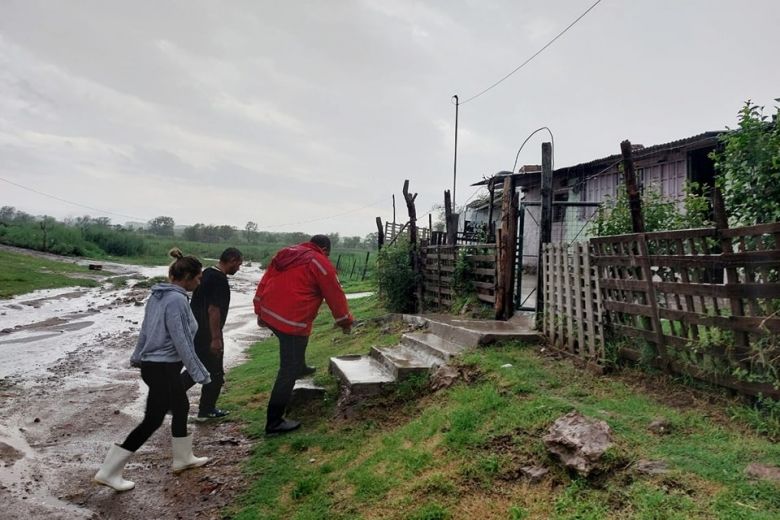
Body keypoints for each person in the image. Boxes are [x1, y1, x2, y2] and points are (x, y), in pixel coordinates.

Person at [94, 248, 211, 492]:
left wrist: (138, 356)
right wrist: (199, 372)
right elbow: (182, 340)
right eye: (199, 278)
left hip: (155, 366)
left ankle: (183, 458)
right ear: (188, 276)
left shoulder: (158, 296)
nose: (200, 282)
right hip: (164, 368)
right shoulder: (177, 299)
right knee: (152, 420)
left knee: (181, 406)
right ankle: (108, 472)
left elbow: (146, 330)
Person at [253, 235, 353, 435]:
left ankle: (301, 366)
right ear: (324, 249)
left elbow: (265, 280)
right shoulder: (320, 262)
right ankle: (274, 422)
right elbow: (334, 293)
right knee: (287, 370)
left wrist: (259, 308)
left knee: (298, 343)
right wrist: (344, 321)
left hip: (270, 311)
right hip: (292, 319)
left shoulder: (285, 253)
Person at [181, 247, 243, 421]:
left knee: (200, 368)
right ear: (231, 260)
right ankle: (205, 410)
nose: (239, 268)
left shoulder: (207, 273)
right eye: (239, 264)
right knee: (215, 374)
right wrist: (216, 338)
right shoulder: (219, 280)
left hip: (195, 330)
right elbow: (213, 309)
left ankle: (171, 399)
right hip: (207, 333)